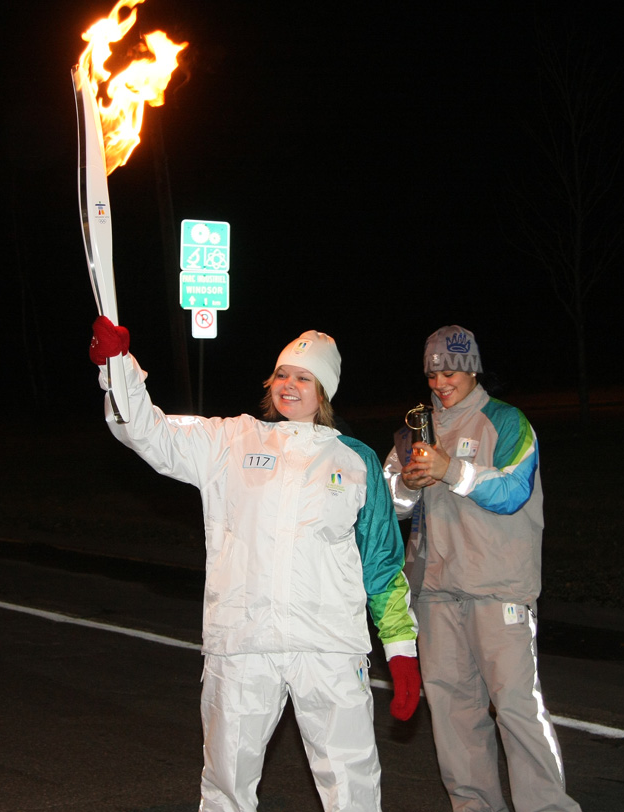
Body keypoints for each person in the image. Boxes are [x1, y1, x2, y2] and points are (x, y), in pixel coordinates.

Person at [89, 316, 421, 812]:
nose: (290, 385)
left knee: (352, 787)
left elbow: (381, 563)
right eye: (283, 374)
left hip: (328, 647)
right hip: (243, 644)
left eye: (304, 377)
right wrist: (118, 367)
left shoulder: (354, 461)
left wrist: (401, 653)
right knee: (226, 783)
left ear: (324, 391)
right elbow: (146, 431)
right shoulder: (229, 441)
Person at [383, 325, 582, 812]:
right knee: (453, 714)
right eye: (432, 373)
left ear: (471, 369)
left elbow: (513, 491)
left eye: (450, 371)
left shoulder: (507, 421)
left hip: (498, 589)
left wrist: (450, 469)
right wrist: (408, 484)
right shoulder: (415, 428)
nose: (440, 382)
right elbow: (391, 504)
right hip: (433, 592)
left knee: (515, 709)